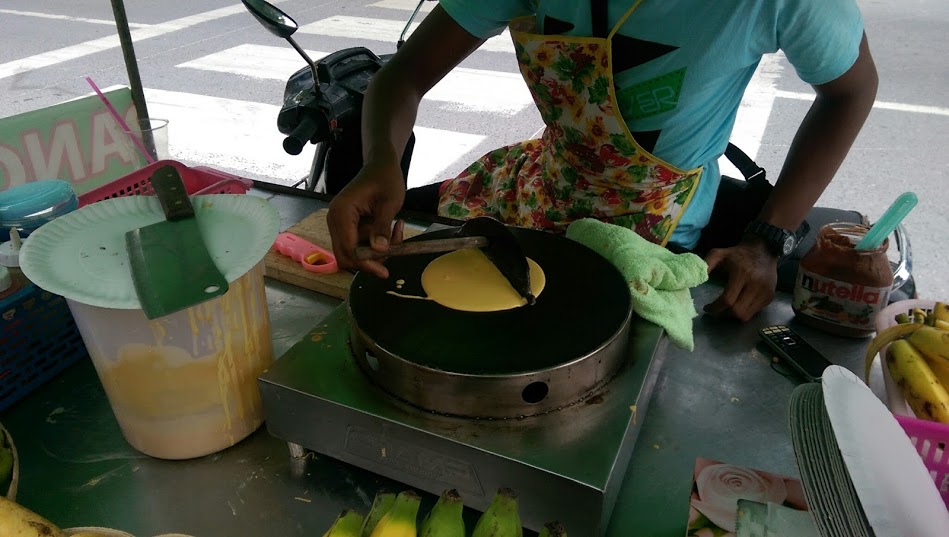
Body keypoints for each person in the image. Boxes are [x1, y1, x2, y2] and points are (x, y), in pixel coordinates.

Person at [327, 0, 878, 321]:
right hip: (540, 186)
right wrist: (381, 161)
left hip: (659, 226)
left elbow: (849, 92)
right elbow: (403, 76)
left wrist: (767, 238)